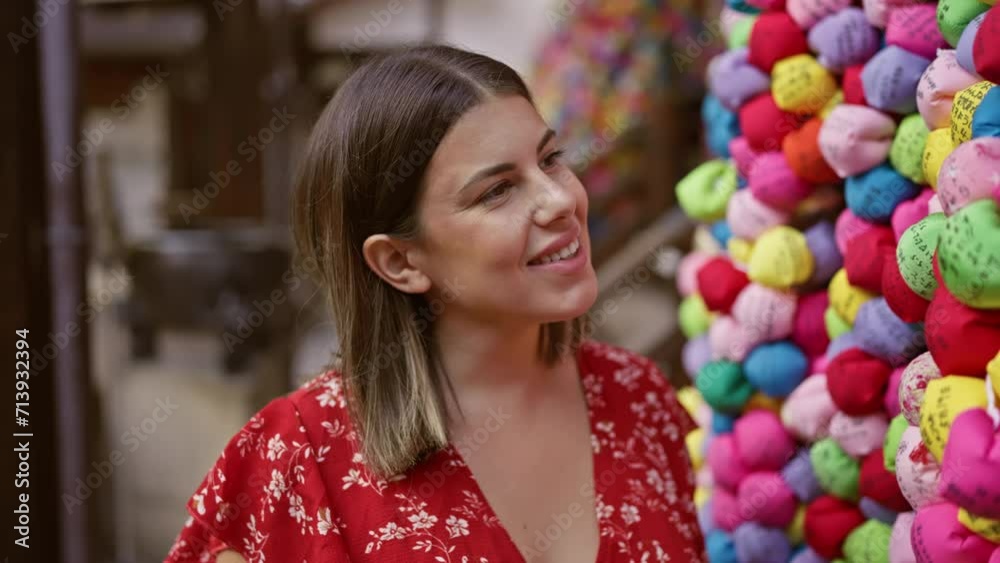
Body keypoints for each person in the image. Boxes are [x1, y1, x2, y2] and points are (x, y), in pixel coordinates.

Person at [165, 45, 704, 563]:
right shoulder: (297, 458)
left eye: (551, 159)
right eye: (497, 191)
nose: (561, 199)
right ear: (401, 262)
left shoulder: (639, 398)